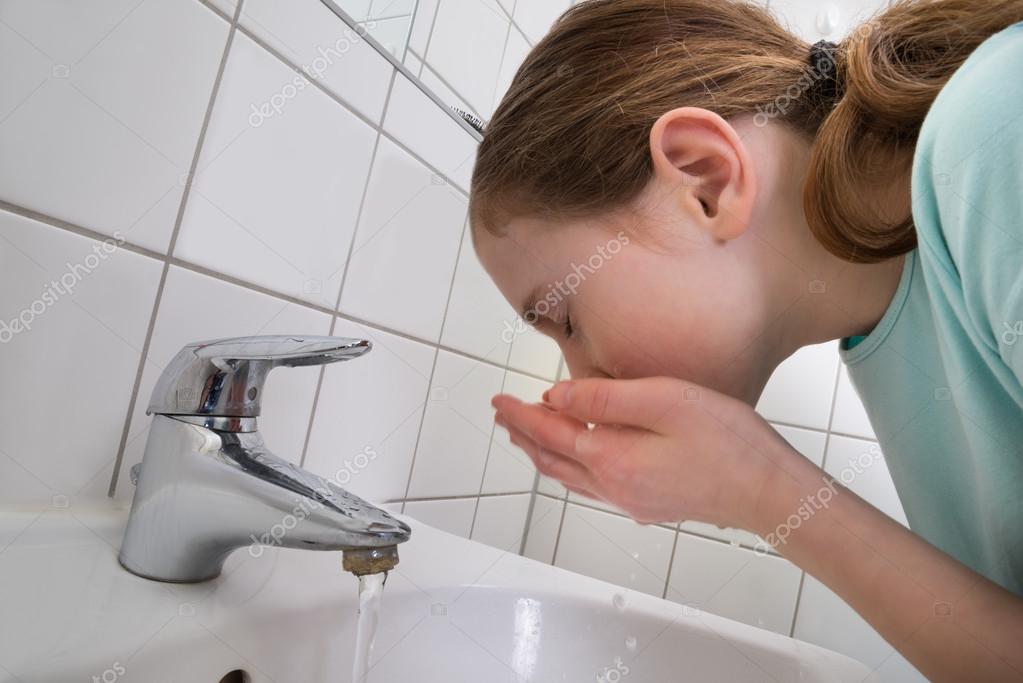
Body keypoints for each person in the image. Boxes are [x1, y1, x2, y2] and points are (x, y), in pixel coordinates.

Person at [472, 1, 1023, 680]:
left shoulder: (999, 131)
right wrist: (754, 487)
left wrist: (762, 489)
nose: (582, 387)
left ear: (705, 180)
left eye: (567, 319)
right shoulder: (873, 327)